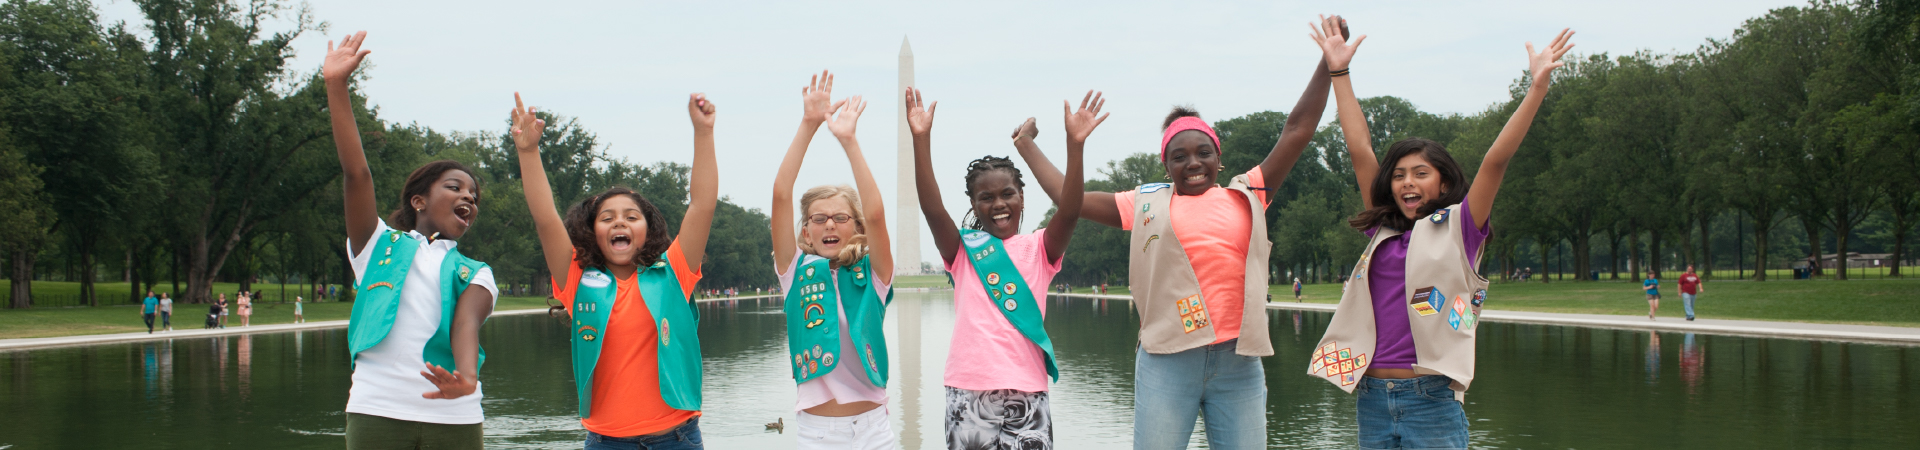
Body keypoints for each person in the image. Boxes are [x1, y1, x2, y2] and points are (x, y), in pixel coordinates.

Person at [1023, 24, 1338, 447]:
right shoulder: (1145, 203)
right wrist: (1036, 146)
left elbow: (1297, 131)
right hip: (1167, 360)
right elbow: (1070, 200)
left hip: (1239, 360)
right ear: (1166, 165)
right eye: (1180, 156)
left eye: (1203, 152)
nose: (1193, 163)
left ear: (1218, 158)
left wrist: (1328, 66)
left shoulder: (1247, 194)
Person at [1306, 16, 1574, 449]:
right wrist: (1339, 71)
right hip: (1372, 397)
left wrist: (1537, 88)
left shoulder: (1460, 228)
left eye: (1420, 173)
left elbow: (1495, 161)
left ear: (1443, 182)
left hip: (1431, 400)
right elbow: (1360, 149)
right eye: (1398, 175)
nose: (1407, 182)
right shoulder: (1382, 228)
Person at [515, 90, 718, 449]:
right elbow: (545, 219)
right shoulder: (577, 280)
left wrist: (703, 133)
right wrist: (528, 152)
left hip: (678, 437)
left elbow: (702, 205)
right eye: (607, 218)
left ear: (647, 229)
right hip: (607, 441)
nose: (618, 223)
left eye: (631, 217)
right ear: (592, 232)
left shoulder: (673, 273)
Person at [325, 30, 500, 448]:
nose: (467, 198)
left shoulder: (477, 273)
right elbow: (357, 175)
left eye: (473, 196)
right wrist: (336, 86)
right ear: (419, 200)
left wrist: (466, 380)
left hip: (456, 415)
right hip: (376, 409)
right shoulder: (376, 246)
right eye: (455, 188)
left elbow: (466, 324)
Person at [909, 86, 1100, 449]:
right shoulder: (963, 251)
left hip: (1028, 389)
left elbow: (1071, 209)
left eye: (1007, 194)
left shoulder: (1041, 248)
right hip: (968, 389)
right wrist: (921, 139)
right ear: (974, 204)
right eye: (986, 197)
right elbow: (933, 209)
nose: (998, 204)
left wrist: (1075, 147)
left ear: (1021, 196)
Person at [769, 71, 898, 450]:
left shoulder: (874, 275)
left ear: (855, 227)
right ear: (805, 231)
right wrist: (809, 124)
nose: (830, 224)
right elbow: (780, 196)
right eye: (819, 218)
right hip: (818, 433)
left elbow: (876, 215)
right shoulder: (794, 274)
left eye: (841, 218)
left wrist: (849, 142)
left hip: (874, 430)